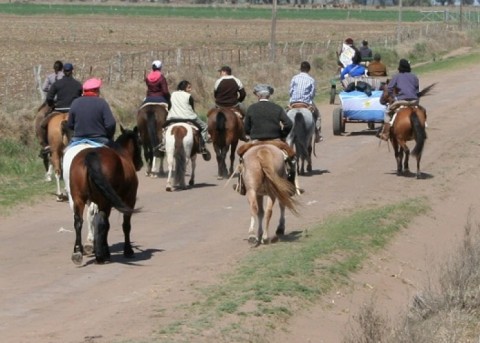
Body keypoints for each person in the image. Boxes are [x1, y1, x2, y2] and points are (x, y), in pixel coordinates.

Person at [234, 84, 297, 195]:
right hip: (275, 140)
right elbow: (288, 123)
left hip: (255, 141)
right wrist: (282, 134)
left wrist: (251, 134)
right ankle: (291, 186)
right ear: (269, 96)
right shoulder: (277, 108)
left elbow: (246, 128)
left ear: (258, 96)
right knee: (291, 159)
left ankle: (241, 185)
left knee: (241, 157)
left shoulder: (251, 108)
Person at [160, 80, 211, 161]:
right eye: (189, 87)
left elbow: (170, 107)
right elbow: (192, 109)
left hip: (173, 117)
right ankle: (202, 146)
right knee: (204, 126)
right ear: (184, 88)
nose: (190, 89)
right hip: (188, 117)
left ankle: (163, 144)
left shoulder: (173, 94)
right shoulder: (188, 96)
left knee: (164, 129)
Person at [39, 62, 82, 156]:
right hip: (72, 111)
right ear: (72, 71)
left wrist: (52, 105)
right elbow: (80, 99)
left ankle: (46, 145)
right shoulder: (78, 84)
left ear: (63, 71)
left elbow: (49, 98)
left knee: (42, 125)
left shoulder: (57, 84)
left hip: (58, 110)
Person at [378, 59, 419, 141]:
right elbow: (417, 90)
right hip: (414, 101)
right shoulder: (414, 76)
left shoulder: (396, 76)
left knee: (387, 112)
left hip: (402, 100)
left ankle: (385, 133)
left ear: (399, 67)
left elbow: (389, 89)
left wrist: (393, 97)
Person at [67, 78, 116, 146]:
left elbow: (70, 124)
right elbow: (111, 124)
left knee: (65, 154)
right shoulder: (102, 103)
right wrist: (109, 135)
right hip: (100, 140)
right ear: (96, 90)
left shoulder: (75, 102)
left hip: (78, 139)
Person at [288, 61, 322, 143]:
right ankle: (318, 134)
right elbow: (312, 93)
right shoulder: (311, 79)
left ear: (300, 69)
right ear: (309, 69)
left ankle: (282, 133)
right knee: (318, 115)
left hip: (293, 102)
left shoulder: (294, 78)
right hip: (306, 103)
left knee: (284, 114)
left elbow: (291, 91)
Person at [214, 65, 248, 141]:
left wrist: (219, 100)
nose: (220, 73)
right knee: (245, 113)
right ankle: (244, 133)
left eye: (220, 72)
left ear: (224, 72)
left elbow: (215, 94)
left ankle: (209, 133)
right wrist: (239, 100)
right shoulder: (237, 80)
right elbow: (243, 93)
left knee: (210, 114)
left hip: (219, 104)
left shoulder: (218, 81)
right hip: (233, 104)